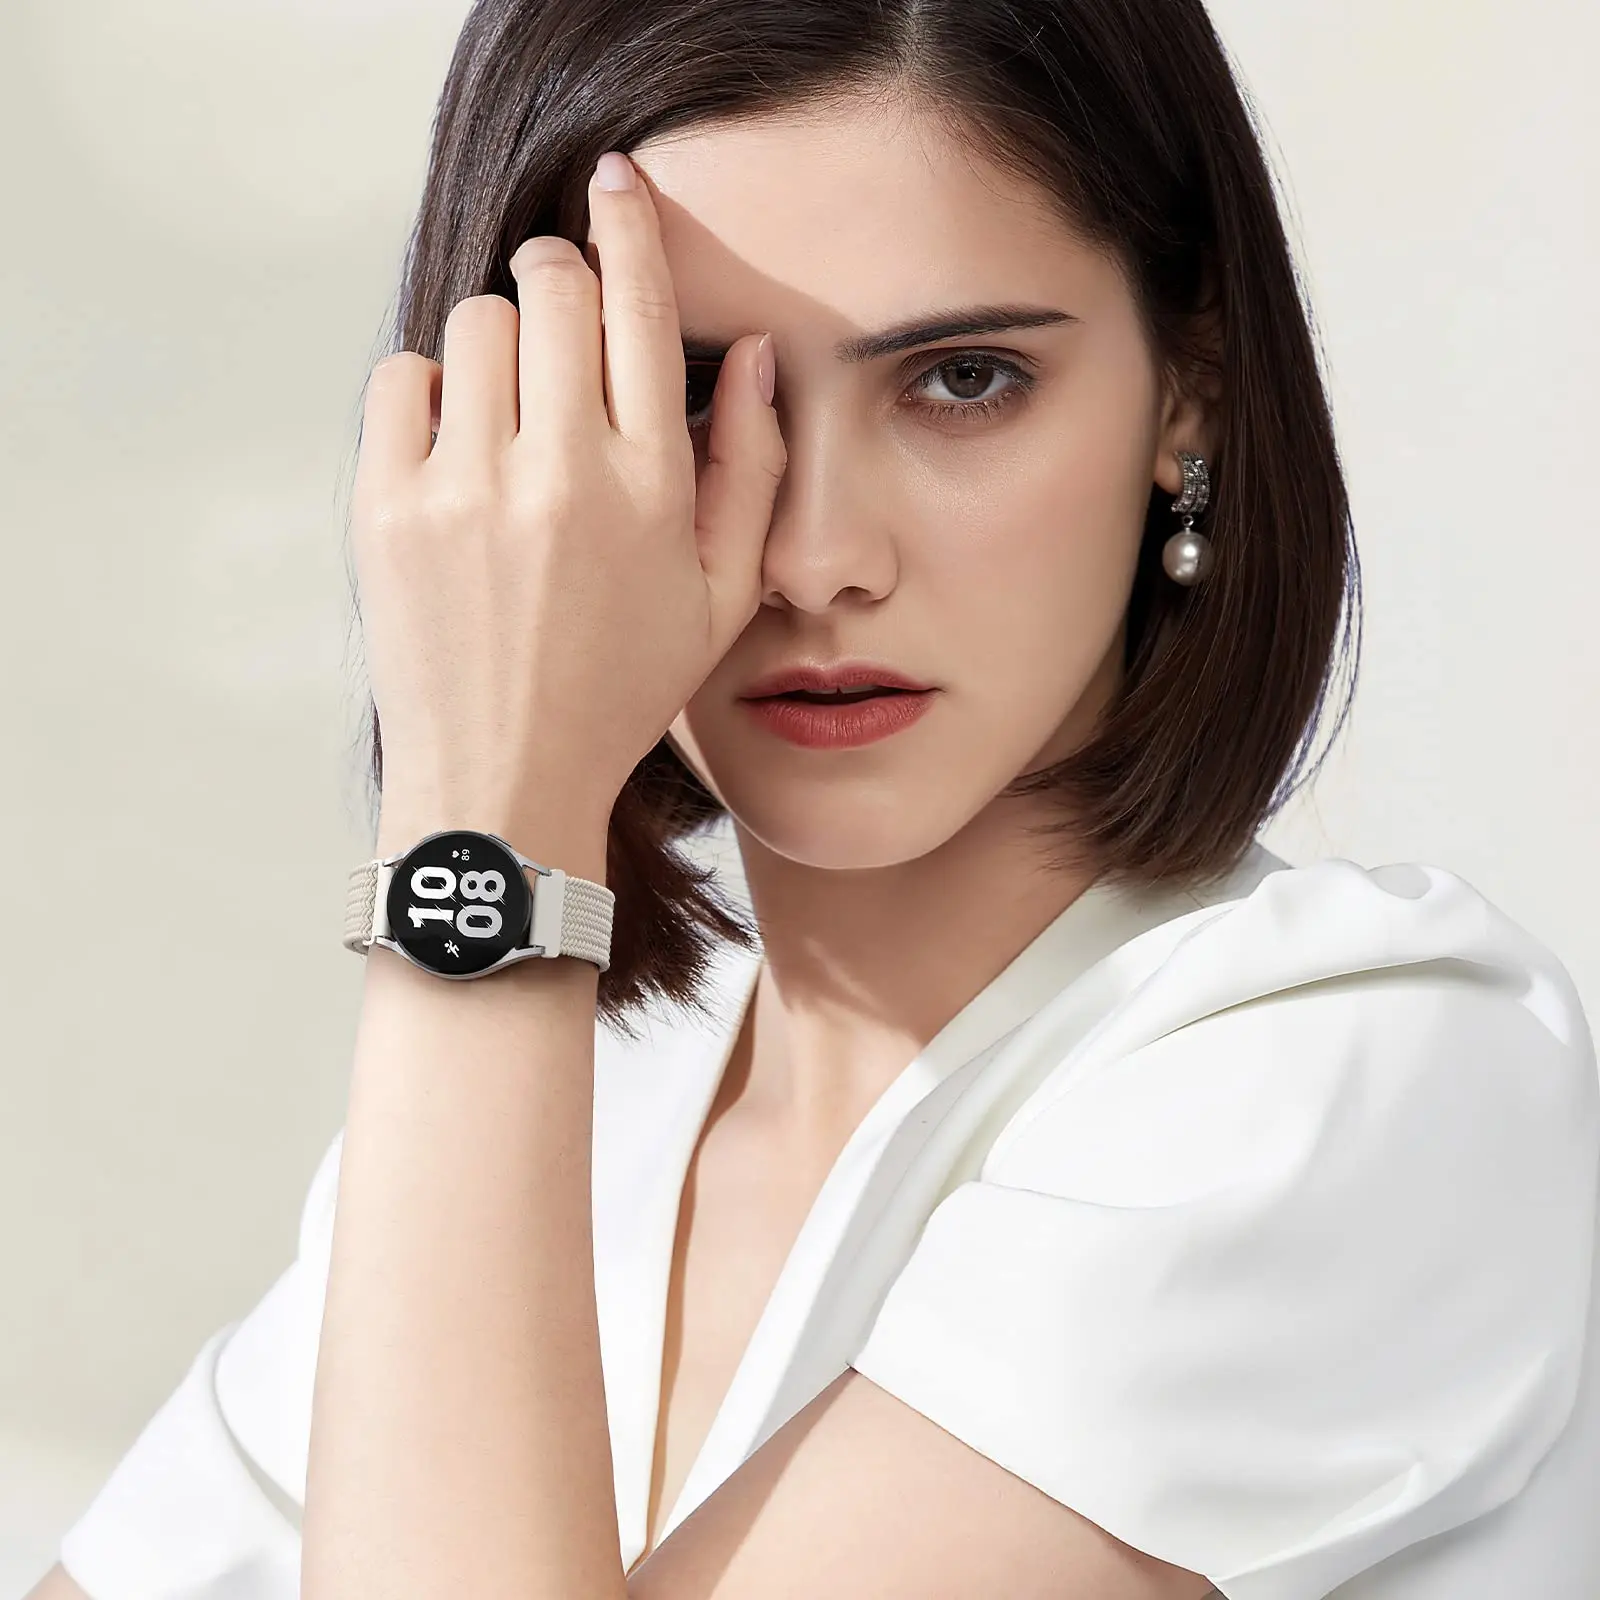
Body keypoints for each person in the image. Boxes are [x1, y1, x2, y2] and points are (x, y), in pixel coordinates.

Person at [32, 0, 1599, 1596]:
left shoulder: (1367, 1079)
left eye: (965, 379)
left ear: (1187, 388)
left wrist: (485, 811)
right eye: (685, 396)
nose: (815, 557)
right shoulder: (578, 1098)